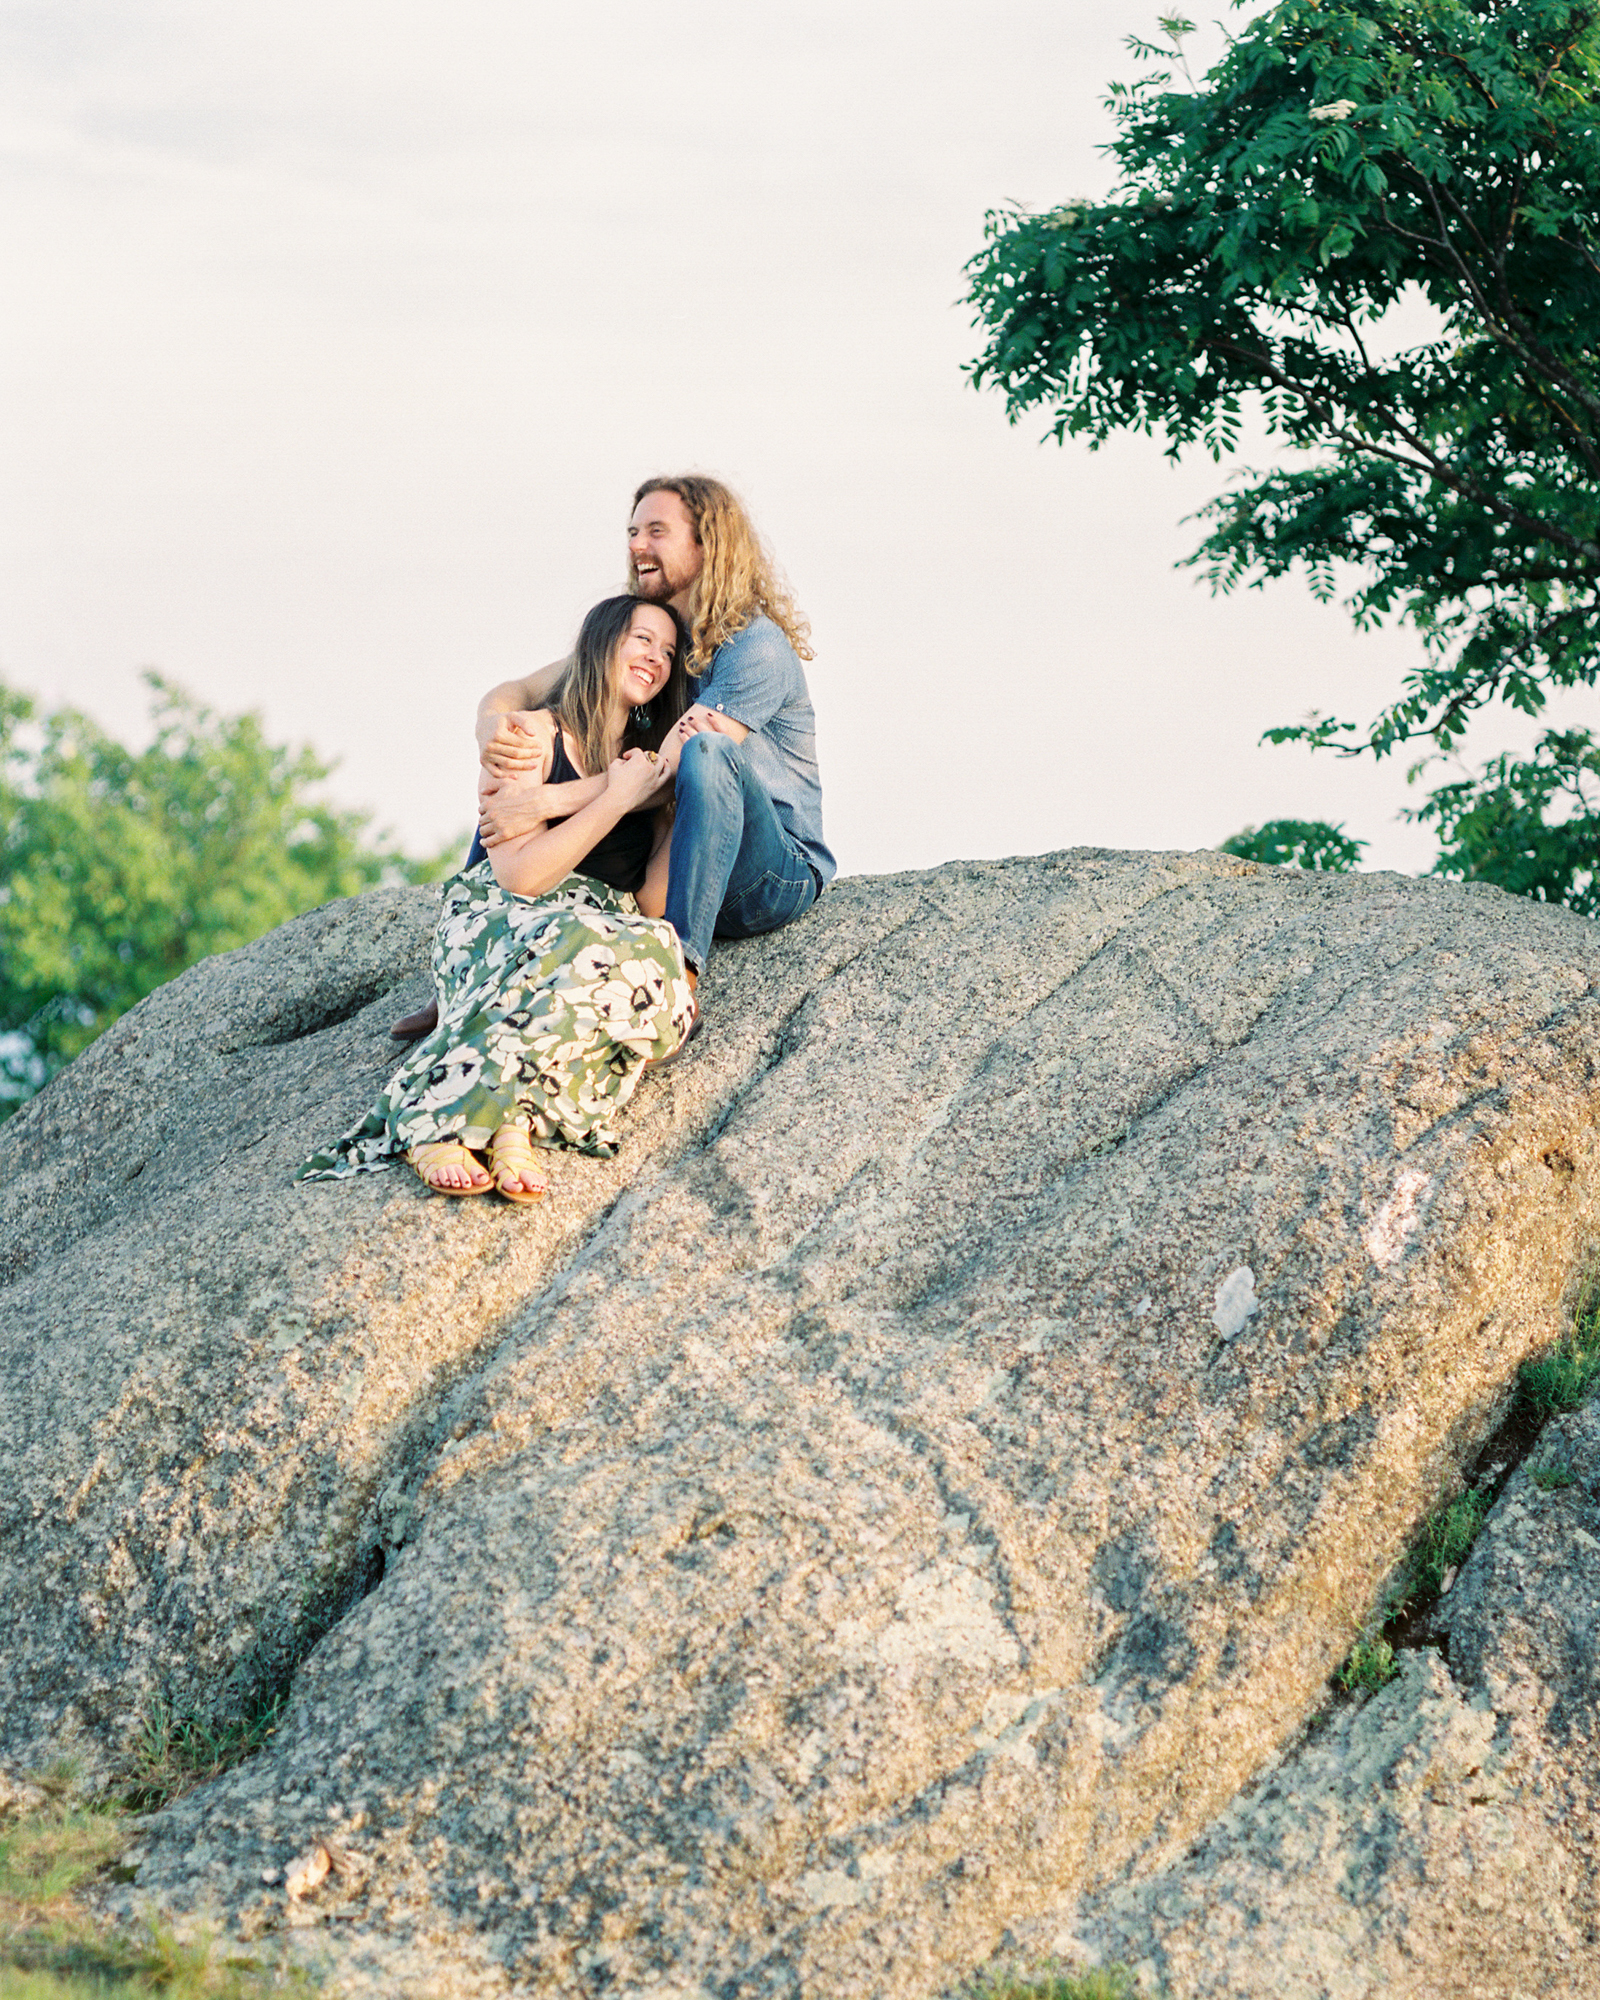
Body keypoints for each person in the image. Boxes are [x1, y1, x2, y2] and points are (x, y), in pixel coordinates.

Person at [392, 474, 833, 1039]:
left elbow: (672, 772)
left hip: (765, 872)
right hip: (675, 857)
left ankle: (680, 975)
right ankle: (467, 959)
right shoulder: (656, 636)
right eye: (632, 532)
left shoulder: (755, 647)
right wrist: (495, 733)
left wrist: (542, 801)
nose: (635, 546)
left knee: (705, 750)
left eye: (656, 531)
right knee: (532, 740)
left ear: (709, 543)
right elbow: (517, 691)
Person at [299, 598, 696, 1202]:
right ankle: (444, 1123)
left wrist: (675, 797)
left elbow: (649, 901)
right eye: (643, 640)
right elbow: (520, 876)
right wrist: (613, 797)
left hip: (597, 924)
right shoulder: (532, 734)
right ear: (601, 642)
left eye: (668, 652)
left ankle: (509, 1117)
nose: (657, 659)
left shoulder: (643, 768)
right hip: (501, 915)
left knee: (656, 956)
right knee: (573, 944)